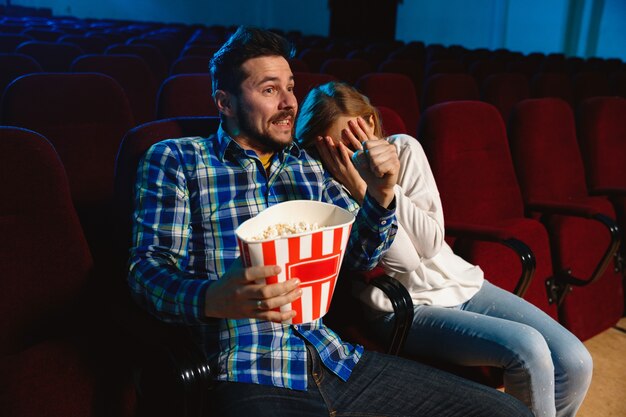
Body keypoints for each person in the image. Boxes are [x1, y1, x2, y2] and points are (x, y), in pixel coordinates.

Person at [128, 26, 533, 417]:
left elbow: (360, 256)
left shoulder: (308, 167)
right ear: (225, 102)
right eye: (270, 89)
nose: (289, 102)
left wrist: (380, 194)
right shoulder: (177, 159)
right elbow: (146, 272)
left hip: (334, 358)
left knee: (508, 411)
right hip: (249, 370)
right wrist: (213, 297)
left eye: (290, 87)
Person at [295, 81, 593, 417]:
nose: (356, 153)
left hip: (459, 281)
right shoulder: (328, 187)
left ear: (373, 125)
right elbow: (406, 262)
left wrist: (388, 183)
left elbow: (432, 242)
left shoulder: (404, 149)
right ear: (321, 148)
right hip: (400, 308)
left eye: (360, 138)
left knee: (576, 361)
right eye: (342, 147)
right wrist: (369, 190)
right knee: (529, 350)